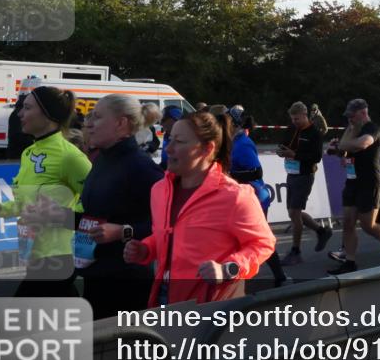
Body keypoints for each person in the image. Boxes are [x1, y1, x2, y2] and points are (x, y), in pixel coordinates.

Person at [123, 111, 276, 306]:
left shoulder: (235, 196)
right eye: (170, 140)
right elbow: (169, 236)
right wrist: (146, 248)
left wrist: (228, 268)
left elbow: (263, 243)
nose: (168, 149)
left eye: (179, 142)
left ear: (206, 149)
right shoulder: (159, 190)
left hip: (212, 307)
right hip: (164, 297)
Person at [0, 87, 91, 297]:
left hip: (58, 257)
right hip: (33, 253)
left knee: (20, 319)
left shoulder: (70, 157)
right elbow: (25, 203)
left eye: (27, 108)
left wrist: (60, 216)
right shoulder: (29, 153)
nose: (20, 114)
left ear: (48, 114)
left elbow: (96, 206)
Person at [73, 95, 162, 318]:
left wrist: (124, 231)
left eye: (97, 116)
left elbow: (166, 226)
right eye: (90, 116)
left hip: (127, 283)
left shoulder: (141, 167)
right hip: (97, 274)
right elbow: (96, 218)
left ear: (121, 124)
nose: (88, 123)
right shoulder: (102, 159)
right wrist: (55, 216)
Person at [326, 99, 380, 274]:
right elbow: (345, 154)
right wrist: (337, 150)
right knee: (348, 223)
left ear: (363, 113)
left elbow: (362, 144)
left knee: (368, 225)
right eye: (347, 116)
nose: (349, 119)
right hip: (352, 182)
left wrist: (341, 145)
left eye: (352, 115)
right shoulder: (351, 130)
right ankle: (350, 261)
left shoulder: (373, 129)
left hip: (369, 183)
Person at [230, 113, 290, 288]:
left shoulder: (243, 144)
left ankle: (280, 277)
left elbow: (257, 172)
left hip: (256, 198)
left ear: (233, 126)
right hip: (244, 198)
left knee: (259, 238)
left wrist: (230, 175)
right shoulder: (234, 142)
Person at [277, 101, 331, 264]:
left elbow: (316, 157)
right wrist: (282, 150)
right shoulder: (292, 128)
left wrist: (294, 154)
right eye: (292, 119)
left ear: (305, 116)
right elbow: (286, 144)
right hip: (291, 174)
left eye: (297, 119)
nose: (295, 122)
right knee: (294, 213)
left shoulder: (314, 133)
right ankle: (321, 231)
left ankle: (296, 251)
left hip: (305, 175)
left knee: (294, 213)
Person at [7, 94, 34, 158]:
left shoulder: (15, 113)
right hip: (19, 152)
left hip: (15, 150)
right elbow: (19, 134)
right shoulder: (20, 114)